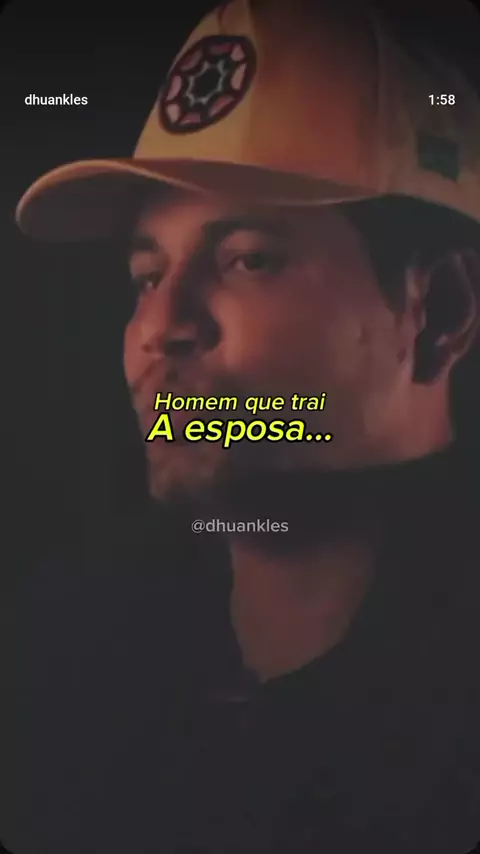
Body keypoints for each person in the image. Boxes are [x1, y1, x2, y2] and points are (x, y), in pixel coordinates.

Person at [13, 1, 480, 852]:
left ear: (439, 312)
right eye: (146, 276)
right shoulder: (61, 645)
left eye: (250, 260)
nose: (162, 327)